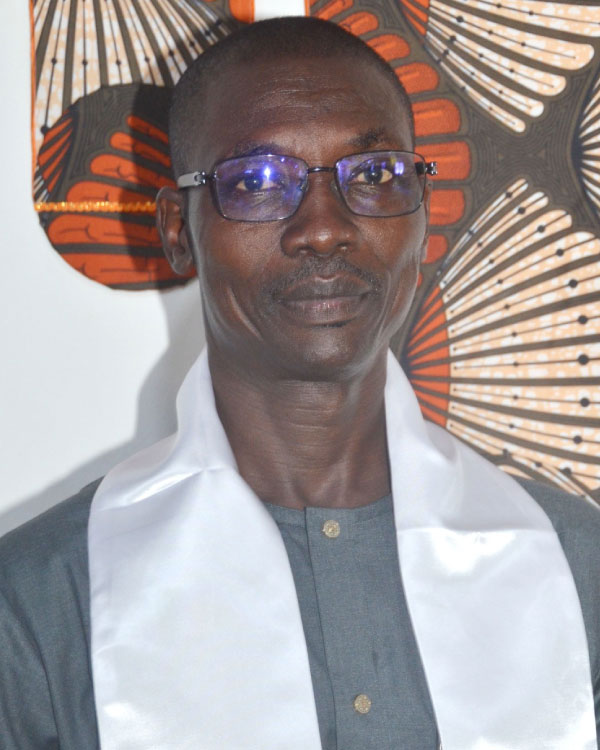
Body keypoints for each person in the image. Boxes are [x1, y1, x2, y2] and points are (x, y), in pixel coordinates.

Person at [1, 16, 599, 750]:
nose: (323, 228)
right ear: (178, 231)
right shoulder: (39, 606)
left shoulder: (574, 570)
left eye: (372, 175)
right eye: (256, 181)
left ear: (424, 213)